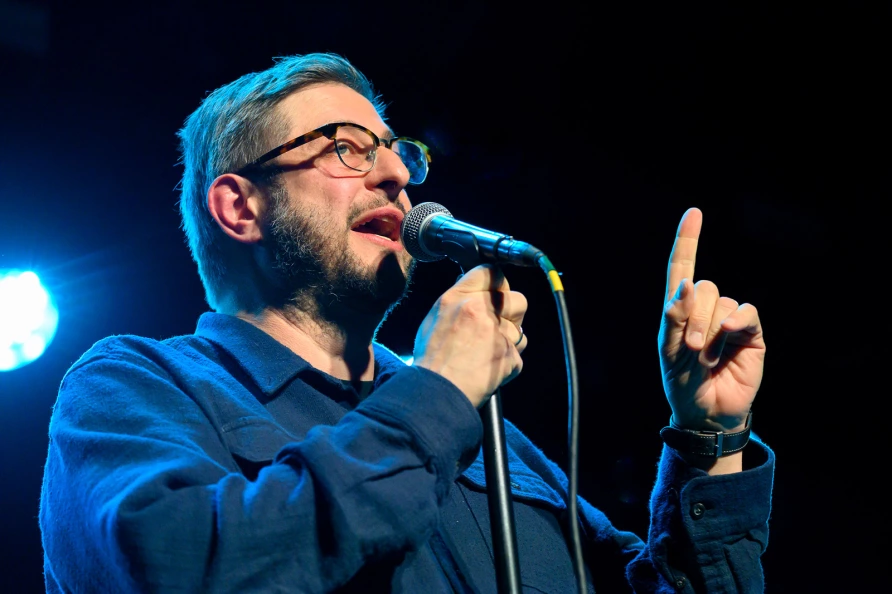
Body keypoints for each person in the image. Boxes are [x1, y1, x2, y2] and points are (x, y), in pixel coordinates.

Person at [39, 52, 774, 593]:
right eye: (344, 148)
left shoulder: (489, 434)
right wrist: (439, 390)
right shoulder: (136, 385)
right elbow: (183, 569)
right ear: (241, 207)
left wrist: (710, 439)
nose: (395, 173)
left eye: (394, 151)